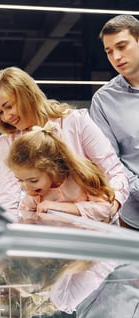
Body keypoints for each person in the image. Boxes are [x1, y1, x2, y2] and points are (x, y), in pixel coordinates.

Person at [0, 66, 128, 222]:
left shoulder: (75, 122)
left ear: (27, 96)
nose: (6, 117)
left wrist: (110, 206)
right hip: (55, 231)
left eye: (9, 106)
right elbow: (7, 195)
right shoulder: (9, 141)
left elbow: (114, 171)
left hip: (96, 227)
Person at [89, 15, 139, 230]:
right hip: (134, 217)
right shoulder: (103, 100)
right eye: (109, 51)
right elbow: (108, 162)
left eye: (122, 46)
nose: (116, 57)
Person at [6, 124, 115, 222]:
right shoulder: (35, 192)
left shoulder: (80, 179)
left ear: (52, 169)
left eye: (33, 180)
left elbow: (104, 208)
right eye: (20, 180)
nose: (26, 187)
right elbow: (27, 212)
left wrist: (61, 207)